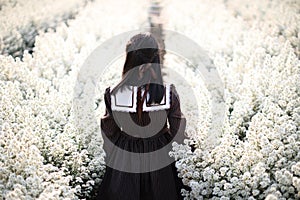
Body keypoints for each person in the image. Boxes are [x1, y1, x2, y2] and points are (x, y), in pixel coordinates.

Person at [96, 32, 188, 200]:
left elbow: (109, 133)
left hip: (125, 158)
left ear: (128, 59)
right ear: (156, 60)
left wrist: (114, 160)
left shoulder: (114, 94)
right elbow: (178, 133)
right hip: (160, 158)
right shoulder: (168, 94)